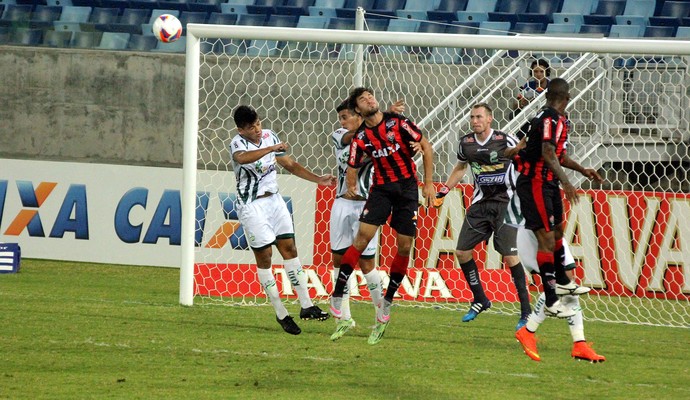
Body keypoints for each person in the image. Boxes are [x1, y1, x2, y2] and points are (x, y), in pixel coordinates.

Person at [329, 87, 435, 345]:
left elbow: (425, 145)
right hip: (381, 190)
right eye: (363, 99)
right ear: (358, 110)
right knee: (361, 238)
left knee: (405, 246)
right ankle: (338, 291)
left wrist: (429, 183)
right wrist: (351, 184)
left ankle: (387, 301)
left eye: (370, 96)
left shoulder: (398, 121)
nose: (369, 99)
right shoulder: (360, 137)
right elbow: (352, 162)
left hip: (408, 189)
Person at [229, 105, 335, 335]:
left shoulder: (268, 135)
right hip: (252, 206)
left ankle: (306, 306)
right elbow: (243, 159)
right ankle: (281, 313)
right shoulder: (238, 144)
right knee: (265, 256)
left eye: (258, 123)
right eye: (251, 127)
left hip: (275, 201)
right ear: (241, 130)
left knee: (290, 248)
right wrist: (270, 149)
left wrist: (318, 179)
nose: (257, 129)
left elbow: (289, 164)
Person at [433, 103, 532, 330]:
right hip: (480, 204)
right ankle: (480, 298)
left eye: (479, 117)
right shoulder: (466, 143)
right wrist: (444, 191)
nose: (475, 121)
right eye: (472, 117)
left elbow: (520, 157)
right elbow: (460, 167)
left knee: (509, 256)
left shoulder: (503, 140)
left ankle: (526, 311)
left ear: (489, 119)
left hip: (505, 204)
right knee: (461, 251)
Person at [513, 78, 603, 320]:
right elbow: (548, 152)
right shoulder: (547, 119)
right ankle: (552, 299)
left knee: (557, 234)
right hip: (534, 183)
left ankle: (563, 280)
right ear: (568, 97)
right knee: (545, 238)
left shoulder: (560, 120)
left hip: (549, 182)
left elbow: (559, 156)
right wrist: (567, 182)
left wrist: (583, 170)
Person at [328, 98, 405, 341]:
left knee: (367, 264)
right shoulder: (340, 135)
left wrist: (387, 121)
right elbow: (350, 139)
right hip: (341, 203)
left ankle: (379, 317)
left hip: (366, 204)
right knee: (339, 261)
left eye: (345, 116)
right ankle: (344, 319)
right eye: (340, 117)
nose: (341, 121)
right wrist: (383, 118)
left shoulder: (375, 139)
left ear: (358, 116)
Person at [513, 226, 606, 362]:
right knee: (562, 282)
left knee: (567, 283)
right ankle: (528, 331)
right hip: (534, 228)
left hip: (549, 227)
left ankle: (579, 344)